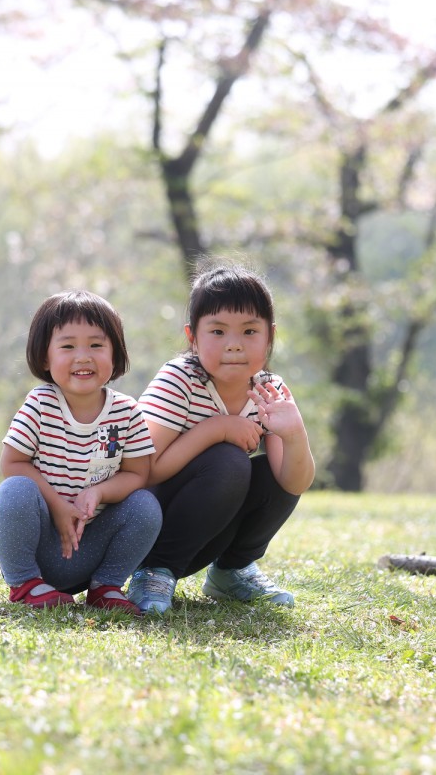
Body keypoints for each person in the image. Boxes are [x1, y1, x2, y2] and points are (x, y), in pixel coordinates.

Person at [127, 262, 315, 614]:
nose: (234, 345)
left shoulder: (269, 390)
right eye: (217, 331)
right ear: (192, 337)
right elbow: (142, 470)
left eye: (249, 331)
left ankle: (231, 571)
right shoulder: (179, 380)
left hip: (208, 531)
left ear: (269, 337)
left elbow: (294, 483)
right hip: (151, 527)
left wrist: (294, 435)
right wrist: (218, 429)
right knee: (229, 459)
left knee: (272, 475)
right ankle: (153, 571)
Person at [0, 290, 161, 615]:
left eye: (96, 345)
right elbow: (12, 463)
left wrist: (99, 492)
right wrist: (57, 506)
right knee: (14, 490)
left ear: (115, 354)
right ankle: (25, 584)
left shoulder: (126, 412)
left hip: (90, 545)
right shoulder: (41, 403)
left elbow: (138, 473)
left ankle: (106, 586)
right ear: (45, 358)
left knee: (145, 505)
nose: (83, 357)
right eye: (68, 347)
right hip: (40, 546)